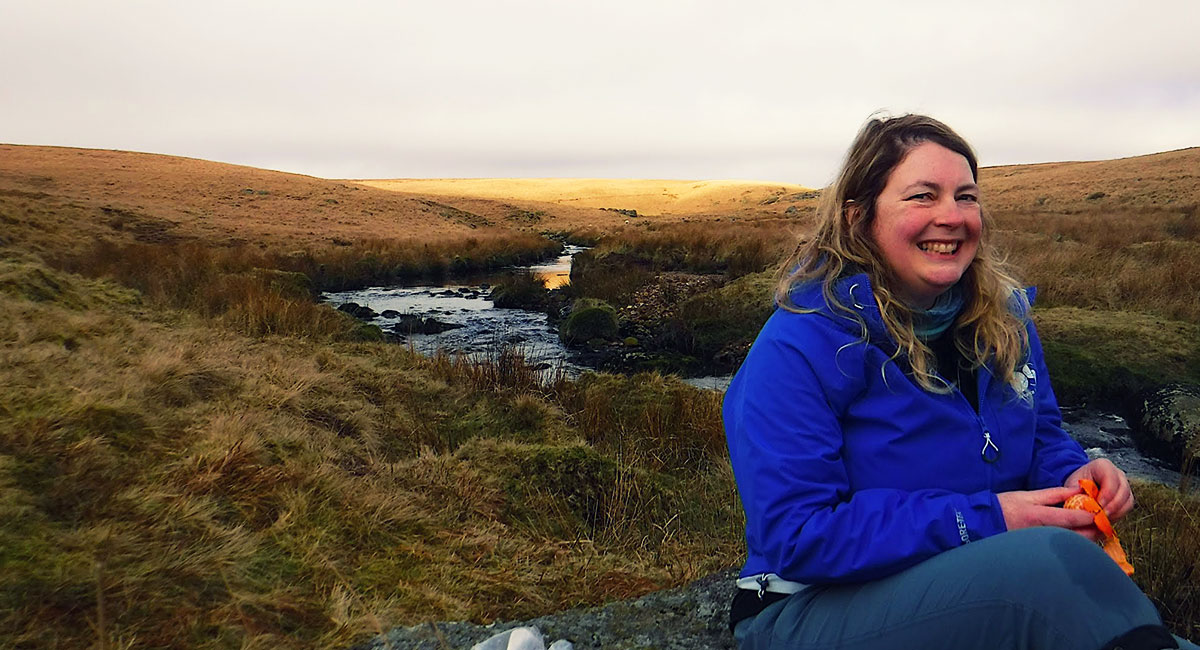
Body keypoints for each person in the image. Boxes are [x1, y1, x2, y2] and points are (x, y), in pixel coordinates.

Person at [723, 114, 1198, 650]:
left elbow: (1041, 435)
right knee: (1045, 574)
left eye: (966, 197)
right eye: (923, 196)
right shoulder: (800, 344)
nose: (951, 216)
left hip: (976, 576)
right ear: (859, 218)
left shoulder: (1004, 321)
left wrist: (1076, 477)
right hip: (810, 604)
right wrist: (989, 519)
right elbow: (800, 534)